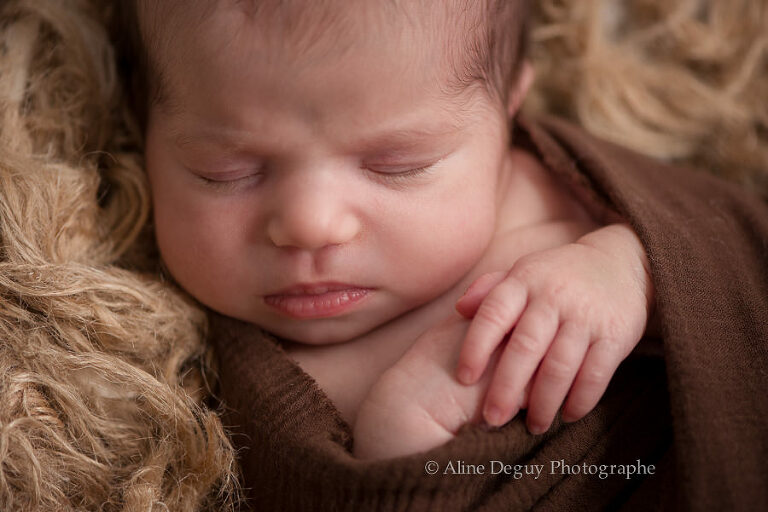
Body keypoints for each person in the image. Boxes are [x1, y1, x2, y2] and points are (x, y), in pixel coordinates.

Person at [130, 0, 655, 461]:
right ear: (141, 130)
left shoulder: (568, 192)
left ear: (507, 111)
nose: (311, 226)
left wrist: (628, 271)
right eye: (225, 172)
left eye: (396, 164)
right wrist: (400, 443)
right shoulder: (186, 378)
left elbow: (702, 237)